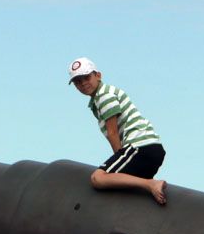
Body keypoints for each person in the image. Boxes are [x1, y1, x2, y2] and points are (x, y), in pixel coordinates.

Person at [68, 57, 167, 205]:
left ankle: (150, 184)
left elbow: (112, 133)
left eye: (86, 77)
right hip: (151, 148)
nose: (83, 83)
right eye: (77, 81)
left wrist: (118, 160)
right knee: (123, 189)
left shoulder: (104, 96)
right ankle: (148, 186)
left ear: (98, 75)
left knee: (99, 178)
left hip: (139, 146)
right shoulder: (101, 97)